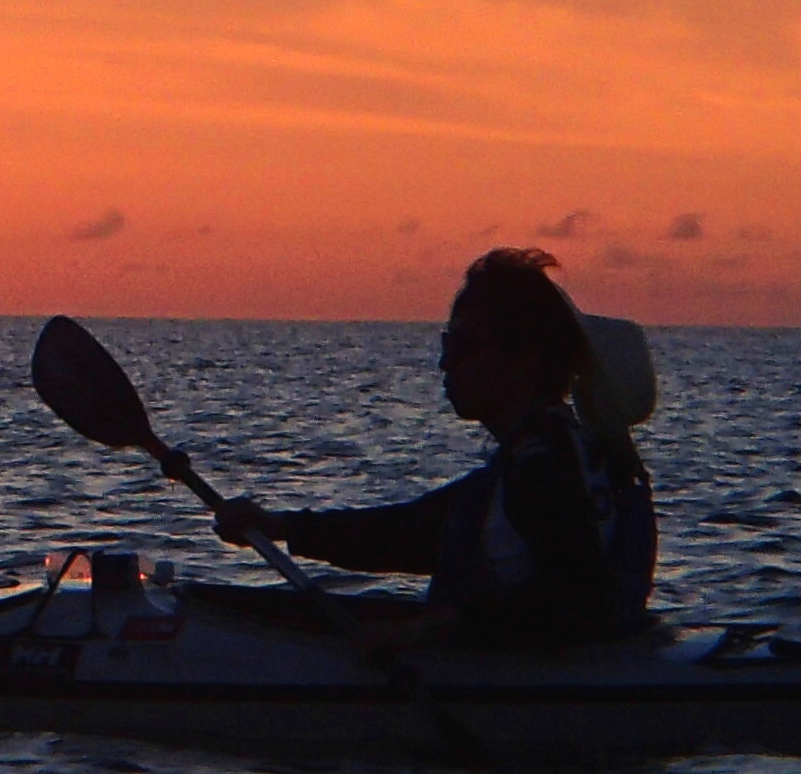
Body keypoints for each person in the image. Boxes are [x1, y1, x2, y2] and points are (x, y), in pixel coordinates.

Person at [211, 248, 657, 645]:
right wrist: (282, 527)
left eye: (464, 346)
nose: (445, 362)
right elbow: (414, 532)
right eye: (448, 343)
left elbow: (576, 601)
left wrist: (439, 630)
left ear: (527, 358)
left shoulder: (546, 465)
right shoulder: (549, 457)